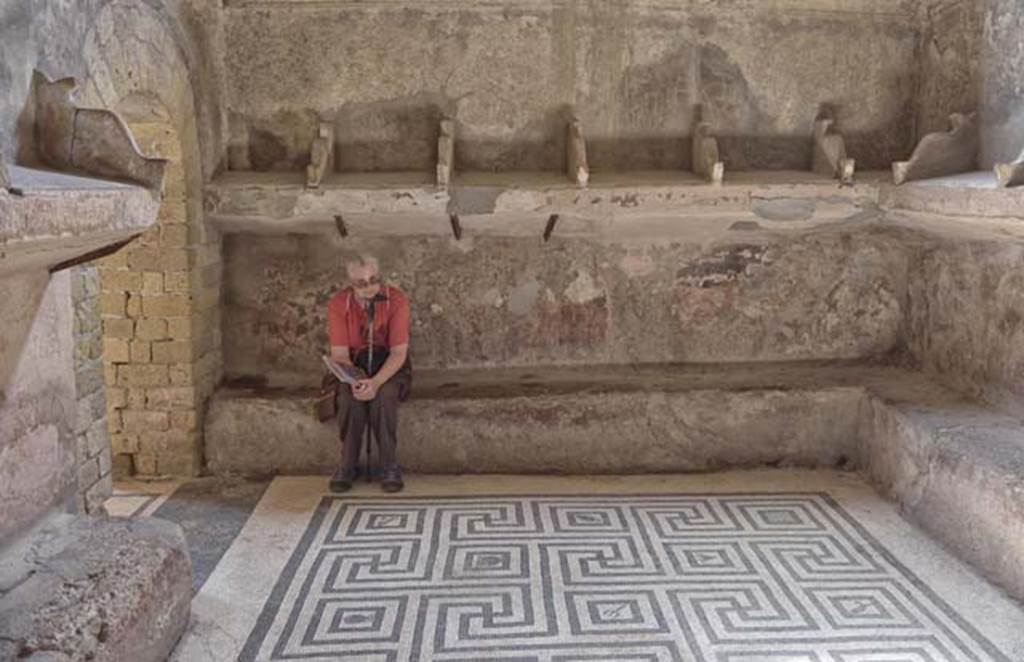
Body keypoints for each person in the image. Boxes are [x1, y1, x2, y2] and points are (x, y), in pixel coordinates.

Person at [326, 254, 411, 493]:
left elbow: (398, 352)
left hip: (389, 363)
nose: (370, 288)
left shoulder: (396, 300)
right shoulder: (338, 304)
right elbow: (340, 353)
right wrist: (357, 380)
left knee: (384, 397)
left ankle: (388, 465)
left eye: (374, 280)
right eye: (361, 284)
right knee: (348, 398)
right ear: (350, 284)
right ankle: (348, 464)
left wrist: (375, 382)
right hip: (354, 363)